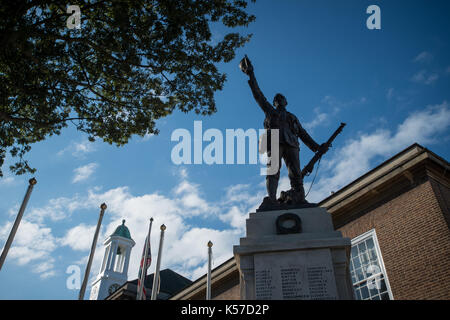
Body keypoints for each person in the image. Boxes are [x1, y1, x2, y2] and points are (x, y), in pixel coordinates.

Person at [239, 55, 328, 208]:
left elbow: (303, 134)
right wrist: (251, 74)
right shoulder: (270, 112)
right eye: (276, 99)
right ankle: (272, 199)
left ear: (286, 102)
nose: (279, 100)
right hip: (274, 141)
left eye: (282, 98)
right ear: (274, 103)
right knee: (273, 170)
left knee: (296, 174)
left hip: (292, 143)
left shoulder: (292, 117)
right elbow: (258, 94)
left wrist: (317, 147)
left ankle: (299, 198)